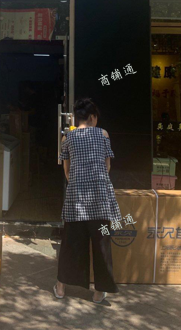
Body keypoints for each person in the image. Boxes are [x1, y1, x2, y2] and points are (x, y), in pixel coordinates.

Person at [54, 98, 121, 304]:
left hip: (76, 200)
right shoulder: (103, 134)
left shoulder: (67, 137)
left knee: (70, 243)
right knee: (102, 244)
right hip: (100, 199)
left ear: (77, 118)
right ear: (92, 117)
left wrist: (79, 183)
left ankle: (61, 287)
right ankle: (99, 292)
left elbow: (67, 171)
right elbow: (107, 167)